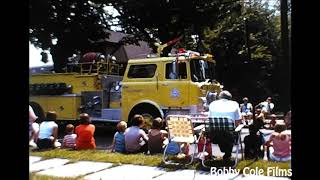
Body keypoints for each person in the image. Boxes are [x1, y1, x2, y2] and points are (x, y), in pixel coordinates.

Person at [208, 90, 242, 162]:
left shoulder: (213, 104)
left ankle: (226, 154)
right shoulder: (234, 104)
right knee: (230, 131)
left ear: (219, 97)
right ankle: (227, 155)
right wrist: (235, 128)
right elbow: (238, 120)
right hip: (228, 135)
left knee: (222, 132)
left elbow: (210, 118)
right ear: (230, 98)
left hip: (214, 135)